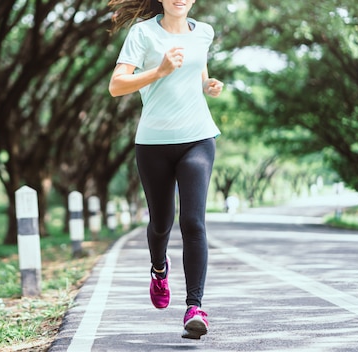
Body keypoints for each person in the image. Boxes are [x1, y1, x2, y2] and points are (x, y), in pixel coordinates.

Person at [108, 0, 223, 340]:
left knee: (193, 221)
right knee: (162, 223)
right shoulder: (142, 34)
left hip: (198, 138)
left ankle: (195, 307)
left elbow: (198, 72)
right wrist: (158, 72)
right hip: (154, 144)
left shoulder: (204, 32)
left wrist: (208, 86)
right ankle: (159, 269)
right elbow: (117, 86)